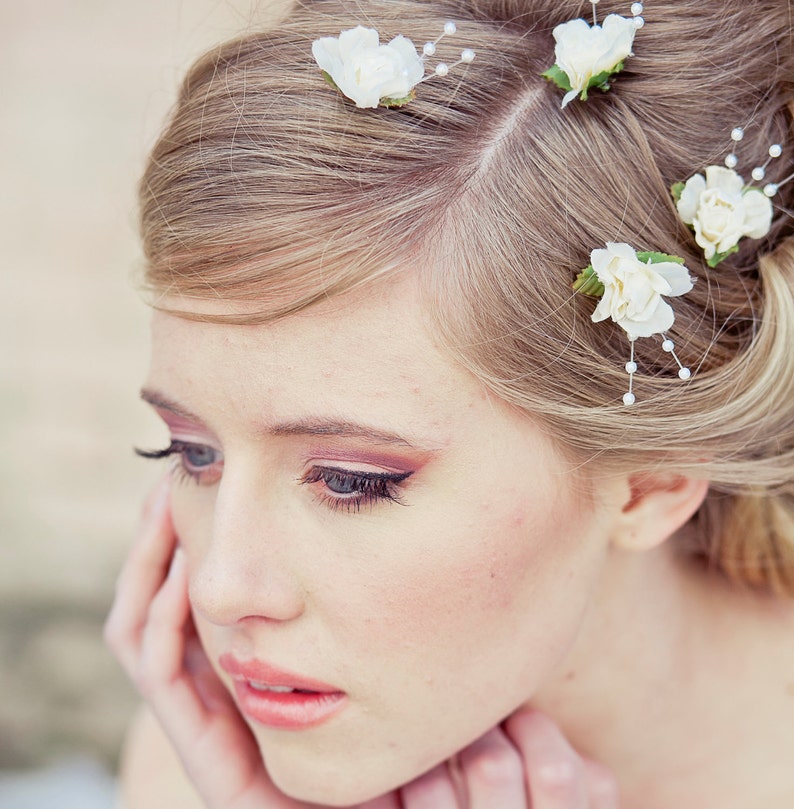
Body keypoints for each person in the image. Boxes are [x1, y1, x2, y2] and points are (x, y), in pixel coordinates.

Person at [105, 0, 794, 806]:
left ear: (651, 481)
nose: (219, 590)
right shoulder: (206, 756)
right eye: (193, 452)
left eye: (351, 481)